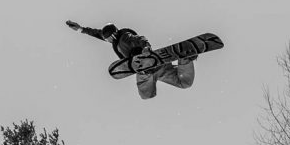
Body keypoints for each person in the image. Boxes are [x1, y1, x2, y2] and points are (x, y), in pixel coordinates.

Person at [66, 20, 196, 100]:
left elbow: (139, 39)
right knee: (184, 82)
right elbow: (97, 33)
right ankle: (185, 59)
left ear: (112, 35)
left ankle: (144, 71)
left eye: (107, 39)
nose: (107, 41)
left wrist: (146, 47)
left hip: (146, 68)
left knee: (146, 95)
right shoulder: (115, 39)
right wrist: (80, 29)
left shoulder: (124, 37)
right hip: (159, 67)